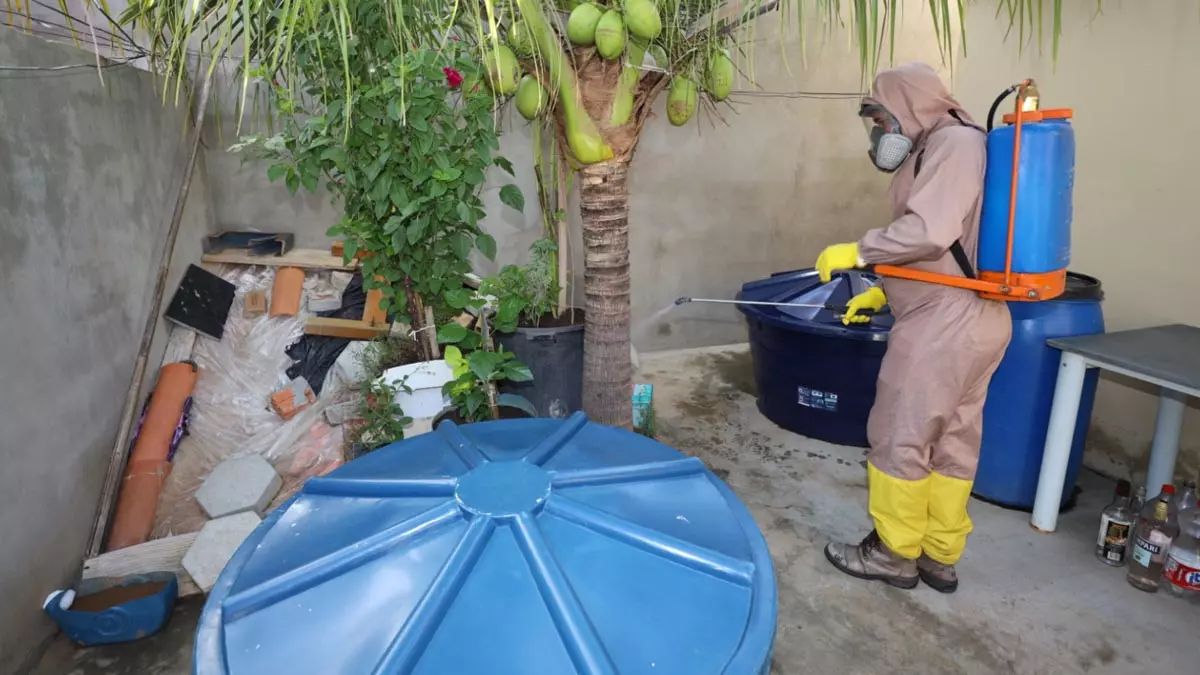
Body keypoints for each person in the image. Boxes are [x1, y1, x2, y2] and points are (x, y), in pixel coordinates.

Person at [814, 63, 1012, 593]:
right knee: (953, 440)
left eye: (882, 118)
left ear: (910, 105)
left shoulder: (953, 144)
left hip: (945, 322)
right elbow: (955, 245)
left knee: (901, 433)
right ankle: (938, 554)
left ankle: (893, 552)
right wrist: (889, 288)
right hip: (972, 313)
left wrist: (860, 250)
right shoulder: (953, 144)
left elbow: (930, 229)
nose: (880, 133)